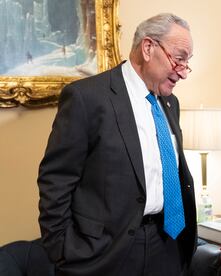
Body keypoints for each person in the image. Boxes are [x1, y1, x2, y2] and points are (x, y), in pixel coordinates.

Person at [38, 13, 196, 276]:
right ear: (148, 48)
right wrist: (62, 250)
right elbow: (56, 180)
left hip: (166, 244)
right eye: (179, 58)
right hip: (105, 253)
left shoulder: (171, 103)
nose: (183, 72)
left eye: (187, 62)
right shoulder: (86, 98)